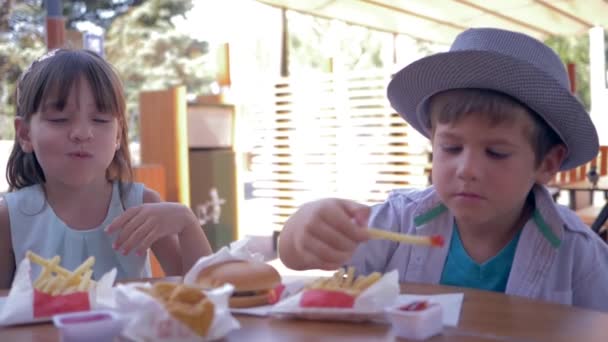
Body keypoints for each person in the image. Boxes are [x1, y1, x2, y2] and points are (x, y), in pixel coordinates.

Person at [278, 28, 608, 312]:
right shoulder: (397, 223)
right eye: (451, 148)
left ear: (547, 163)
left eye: (496, 152)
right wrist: (303, 229)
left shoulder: (579, 254)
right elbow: (296, 258)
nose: (467, 169)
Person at [0, 49, 212, 288]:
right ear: (25, 134)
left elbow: (204, 292)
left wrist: (187, 222)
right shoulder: (9, 217)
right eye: (59, 119)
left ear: (118, 134)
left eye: (100, 120)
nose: (82, 133)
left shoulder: (139, 203)